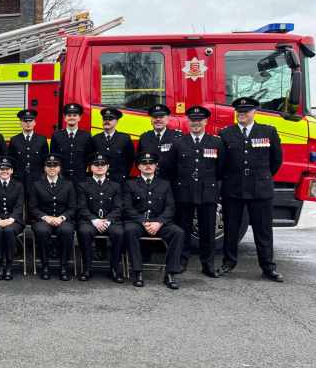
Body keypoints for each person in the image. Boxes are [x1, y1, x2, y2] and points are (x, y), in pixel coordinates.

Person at [220, 97, 284, 282]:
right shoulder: (226, 133)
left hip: (260, 189)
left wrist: (262, 177)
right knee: (231, 229)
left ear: (255, 112)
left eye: (246, 111)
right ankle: (228, 263)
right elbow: (222, 163)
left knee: (263, 230)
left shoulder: (268, 132)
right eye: (239, 112)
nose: (242, 114)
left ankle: (268, 267)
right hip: (233, 188)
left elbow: (276, 161)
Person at [165, 105, 225, 276]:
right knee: (183, 229)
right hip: (184, 192)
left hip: (207, 193)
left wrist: (215, 189)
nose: (196, 123)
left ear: (206, 121)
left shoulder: (216, 142)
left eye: (199, 120)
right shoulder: (178, 143)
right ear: (188, 122)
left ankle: (208, 264)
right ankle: (182, 261)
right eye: (193, 120)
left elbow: (221, 169)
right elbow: (170, 169)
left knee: (208, 231)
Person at [122, 152, 184, 289]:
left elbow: (170, 207)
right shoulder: (130, 184)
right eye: (144, 163)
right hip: (138, 222)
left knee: (178, 232)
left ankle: (170, 274)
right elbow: (127, 207)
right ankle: (137, 272)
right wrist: (143, 221)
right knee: (129, 230)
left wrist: (159, 222)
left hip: (158, 222)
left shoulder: (165, 184)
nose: (148, 166)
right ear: (139, 166)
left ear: (156, 165)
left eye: (151, 163)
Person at [76, 153, 125, 281]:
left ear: (108, 167)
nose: (99, 167)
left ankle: (114, 269)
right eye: (96, 164)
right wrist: (95, 220)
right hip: (89, 220)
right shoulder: (83, 185)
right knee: (84, 231)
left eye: (102, 164)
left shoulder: (115, 186)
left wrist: (108, 221)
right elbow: (81, 207)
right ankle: (87, 269)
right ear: (90, 167)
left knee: (119, 233)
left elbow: (118, 208)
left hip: (111, 221)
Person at [28, 153, 77, 280]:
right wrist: (47, 218)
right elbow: (33, 207)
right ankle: (45, 266)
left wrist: (61, 218)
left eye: (55, 165)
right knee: (42, 231)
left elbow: (72, 207)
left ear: (59, 168)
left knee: (67, 231)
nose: (52, 168)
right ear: (44, 168)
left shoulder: (68, 184)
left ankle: (63, 266)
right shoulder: (37, 184)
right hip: (43, 219)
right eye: (49, 165)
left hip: (62, 219)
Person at [0, 156, 24, 280]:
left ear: (12, 171)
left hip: (14, 220)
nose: (4, 171)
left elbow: (19, 206)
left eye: (7, 169)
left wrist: (11, 219)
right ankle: (0, 264)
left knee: (9, 231)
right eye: (2, 169)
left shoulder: (18, 186)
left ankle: (9, 265)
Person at [8, 109, 49, 193]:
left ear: (35, 123)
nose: (28, 123)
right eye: (25, 121)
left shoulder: (42, 139)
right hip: (18, 179)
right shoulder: (14, 140)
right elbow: (10, 160)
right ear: (21, 123)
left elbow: (46, 160)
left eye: (30, 121)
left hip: (37, 179)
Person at [90, 108, 134, 184]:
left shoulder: (124, 138)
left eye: (110, 119)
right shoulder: (95, 139)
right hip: (99, 181)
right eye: (105, 119)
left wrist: (123, 175)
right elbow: (90, 159)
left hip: (118, 180)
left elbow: (130, 159)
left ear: (116, 121)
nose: (107, 121)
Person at [50, 103, 92, 183]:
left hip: (80, 178)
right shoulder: (56, 136)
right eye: (69, 115)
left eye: (75, 115)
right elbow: (54, 157)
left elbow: (89, 158)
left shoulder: (87, 136)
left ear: (79, 118)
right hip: (62, 178)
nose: (72, 117)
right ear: (65, 118)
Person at [137, 104, 182, 179]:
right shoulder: (144, 137)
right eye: (155, 117)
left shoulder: (177, 137)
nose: (158, 119)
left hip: (170, 182)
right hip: (150, 183)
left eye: (161, 117)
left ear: (167, 119)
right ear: (151, 120)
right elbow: (138, 160)